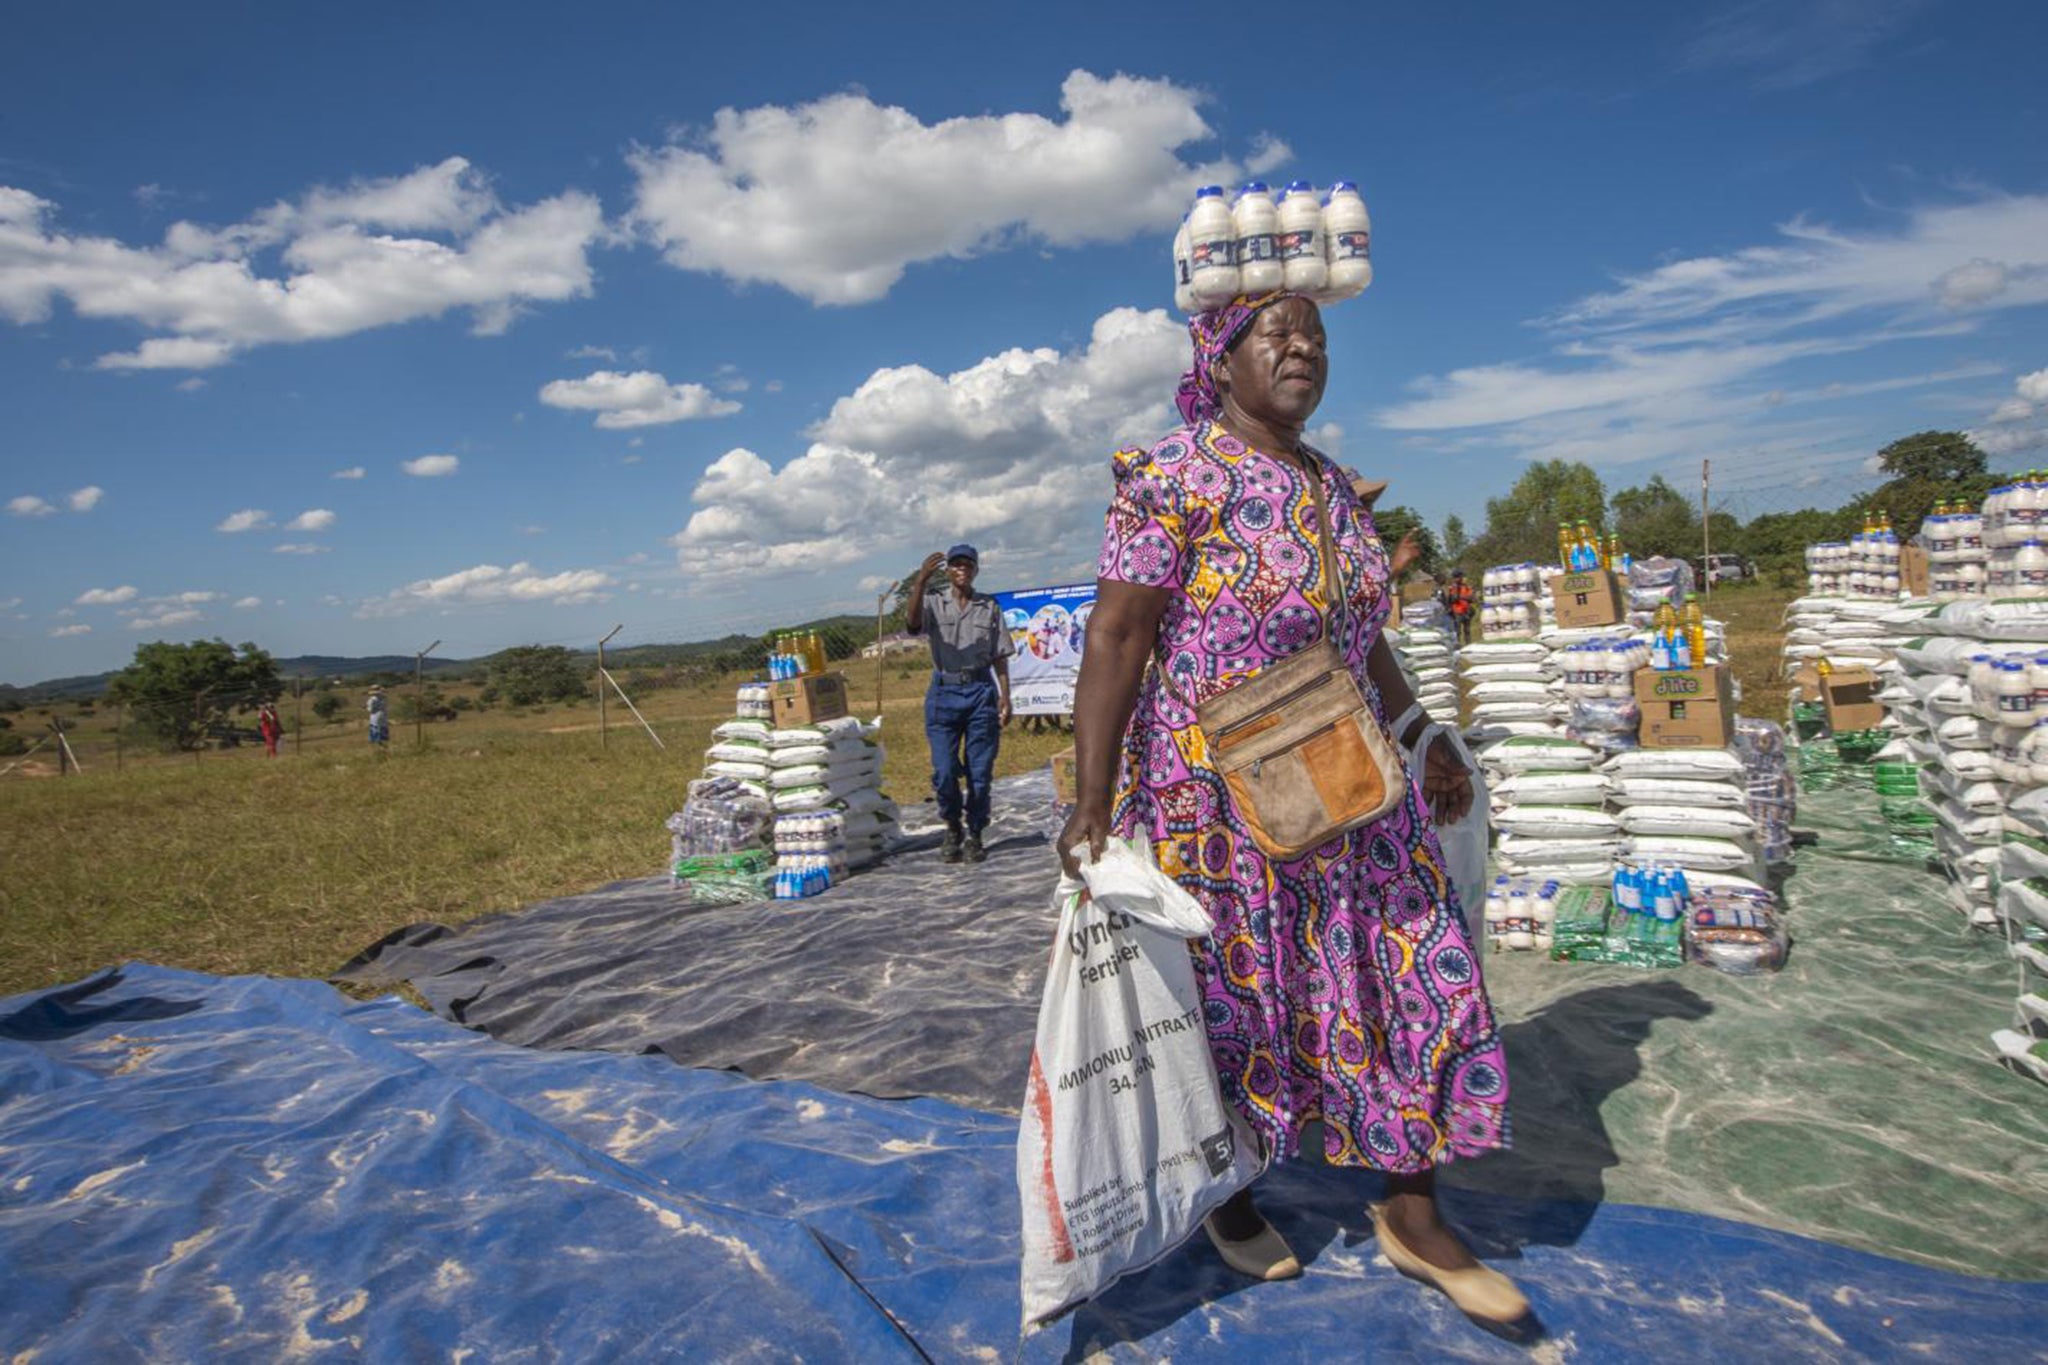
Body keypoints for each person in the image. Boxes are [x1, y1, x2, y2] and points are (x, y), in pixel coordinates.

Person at [1059, 291, 1525, 1329]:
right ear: (1220, 359)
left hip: (1350, 783)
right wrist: (1091, 801)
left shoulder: (1334, 489)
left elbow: (1363, 640)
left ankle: (1413, 1212)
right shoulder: (1168, 478)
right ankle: (1227, 1195)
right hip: (1213, 795)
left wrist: (1421, 734)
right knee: (1240, 1003)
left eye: (1314, 334)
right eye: (1276, 334)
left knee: (1416, 976)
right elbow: (1117, 639)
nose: (1302, 348)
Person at [905, 543, 1014, 863]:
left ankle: (975, 833)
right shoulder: (933, 603)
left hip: (981, 692)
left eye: (967, 565)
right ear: (948, 571)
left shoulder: (988, 607)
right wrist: (921, 580)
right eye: (955, 565)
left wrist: (1006, 697)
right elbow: (912, 625)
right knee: (944, 770)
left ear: (976, 569)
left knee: (980, 773)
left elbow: (1000, 656)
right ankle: (952, 825)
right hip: (943, 693)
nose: (961, 569)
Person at [1443, 568, 1477, 644]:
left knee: (1467, 630)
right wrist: (1464, 598)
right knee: (1457, 631)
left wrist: (1462, 597)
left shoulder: (1467, 587)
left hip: (1466, 611)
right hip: (1457, 612)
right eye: (1455, 577)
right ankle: (1457, 646)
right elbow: (1453, 599)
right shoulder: (1452, 588)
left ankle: (1468, 645)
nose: (1456, 579)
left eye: (1458, 577)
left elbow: (1472, 599)